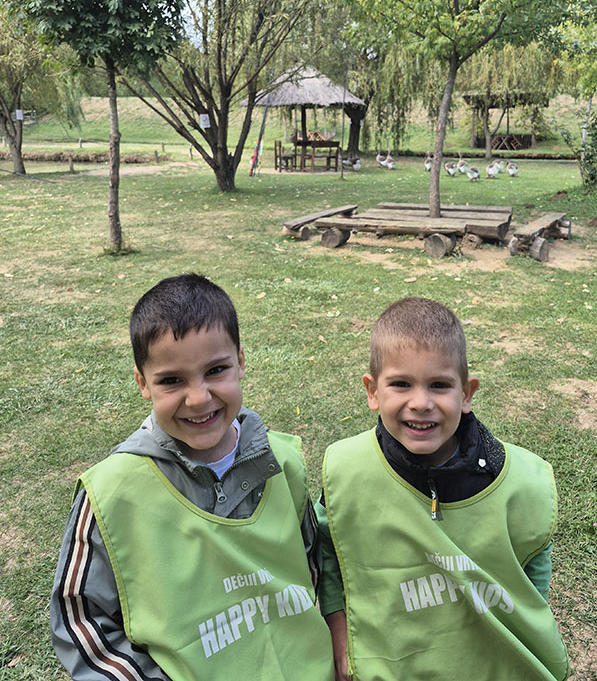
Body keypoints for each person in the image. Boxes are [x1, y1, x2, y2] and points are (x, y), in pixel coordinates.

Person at [51, 273, 333, 681]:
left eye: (215, 370)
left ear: (240, 361)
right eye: (171, 380)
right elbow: (80, 619)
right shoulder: (111, 493)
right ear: (142, 382)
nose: (198, 398)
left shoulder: (284, 462)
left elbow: (310, 566)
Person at [317, 297, 569, 681]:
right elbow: (330, 550)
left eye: (439, 385)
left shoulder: (522, 482)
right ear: (372, 391)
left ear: (466, 393)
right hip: (390, 664)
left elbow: (533, 557)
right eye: (401, 384)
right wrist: (339, 629)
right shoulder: (345, 473)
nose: (421, 403)